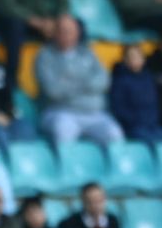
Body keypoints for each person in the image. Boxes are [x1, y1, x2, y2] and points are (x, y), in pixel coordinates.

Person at [35, 17, 123, 149]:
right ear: (55, 33)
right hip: (61, 112)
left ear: (77, 33)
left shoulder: (87, 53)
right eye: (62, 31)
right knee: (63, 131)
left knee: (115, 134)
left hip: (95, 113)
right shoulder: (45, 56)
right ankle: (68, 169)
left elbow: (104, 81)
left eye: (70, 31)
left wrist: (69, 82)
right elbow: (53, 91)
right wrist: (86, 83)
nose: (66, 35)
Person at [110, 44, 162, 143]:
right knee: (155, 145)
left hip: (153, 126)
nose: (135, 60)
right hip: (133, 128)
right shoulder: (120, 80)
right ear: (125, 59)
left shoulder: (149, 77)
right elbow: (118, 108)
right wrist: (135, 121)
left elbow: (155, 103)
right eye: (131, 57)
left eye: (138, 56)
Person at [58, 182, 124, 228]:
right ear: (83, 201)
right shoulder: (69, 224)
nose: (96, 206)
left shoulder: (112, 220)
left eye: (99, 200)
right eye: (90, 201)